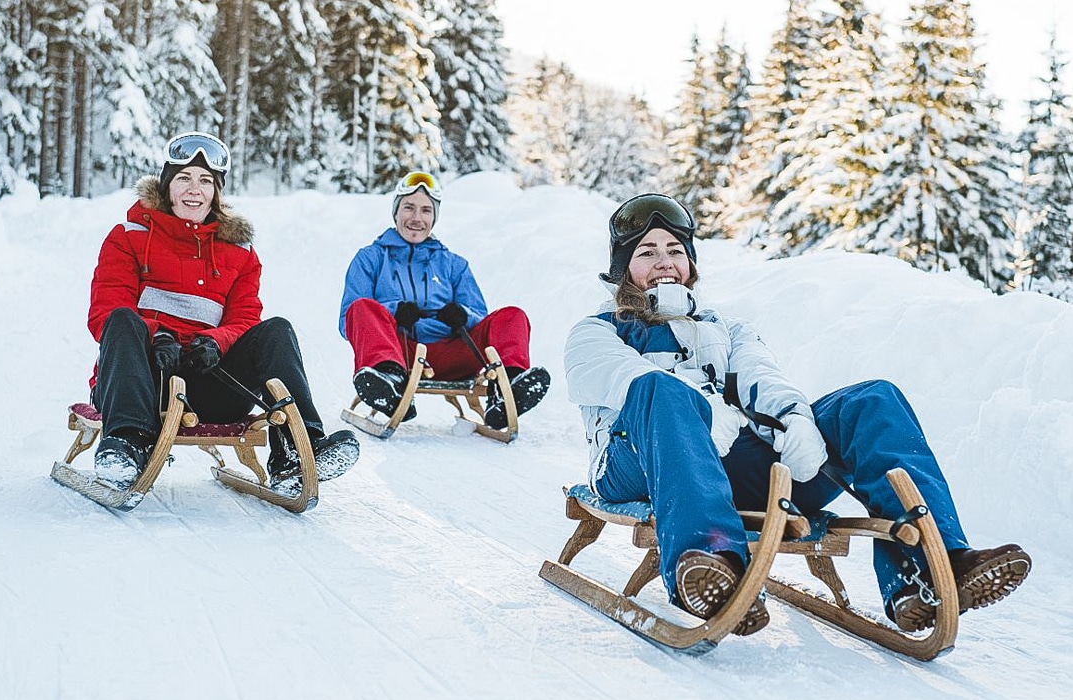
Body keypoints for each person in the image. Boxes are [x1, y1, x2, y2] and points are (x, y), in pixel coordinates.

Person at [563, 193, 1031, 635]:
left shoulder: (727, 330)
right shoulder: (595, 333)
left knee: (872, 401)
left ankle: (934, 567)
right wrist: (699, 410)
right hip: (637, 464)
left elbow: (762, 377)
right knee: (657, 391)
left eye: (674, 249)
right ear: (623, 269)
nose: (664, 261)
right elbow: (624, 379)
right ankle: (712, 566)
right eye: (646, 252)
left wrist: (795, 420)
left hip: (730, 465)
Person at [86, 131, 358, 491]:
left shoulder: (240, 252)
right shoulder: (128, 235)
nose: (193, 190)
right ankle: (126, 446)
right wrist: (157, 336)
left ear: (217, 191)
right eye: (183, 178)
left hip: (208, 381)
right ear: (166, 185)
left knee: (276, 330)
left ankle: (297, 450)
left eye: (205, 181)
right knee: (122, 320)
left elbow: (245, 319)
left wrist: (215, 341)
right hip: (140, 384)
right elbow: (106, 311)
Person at [338, 171, 550, 430]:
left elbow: (479, 316)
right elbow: (348, 320)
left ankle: (507, 388)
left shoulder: (453, 265)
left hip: (452, 353)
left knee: (512, 315)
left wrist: (461, 315)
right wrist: (393, 312)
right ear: (396, 212)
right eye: (409, 208)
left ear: (434, 217)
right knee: (361, 307)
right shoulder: (370, 259)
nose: (417, 218)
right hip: (400, 351)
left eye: (426, 211)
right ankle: (389, 384)